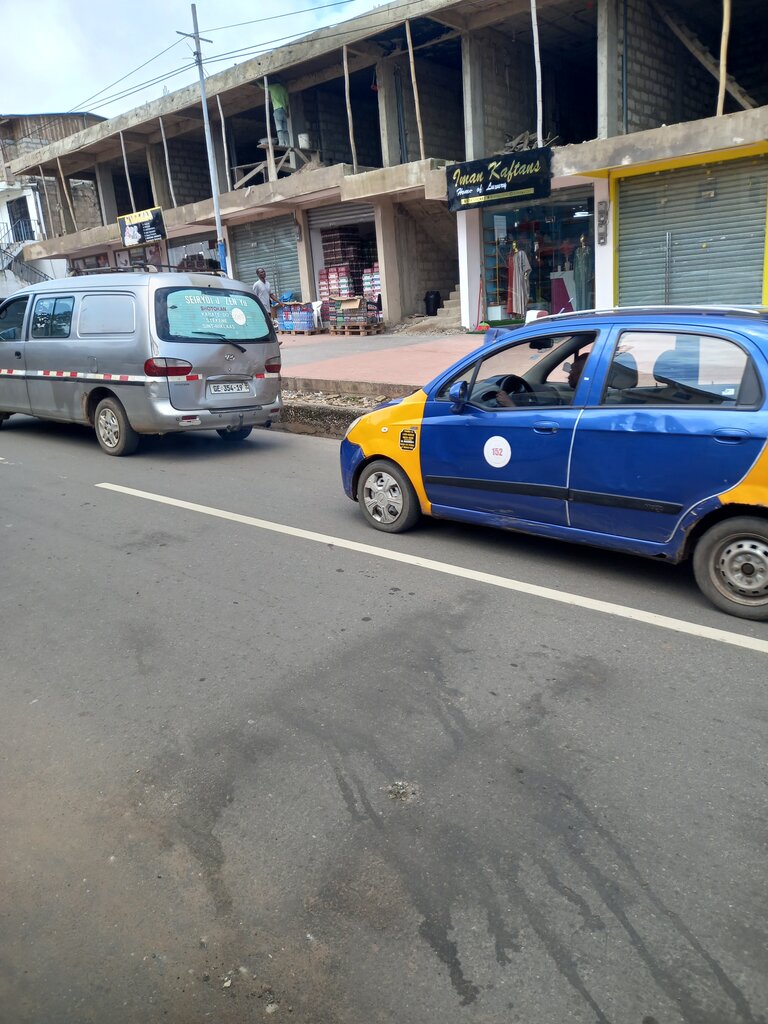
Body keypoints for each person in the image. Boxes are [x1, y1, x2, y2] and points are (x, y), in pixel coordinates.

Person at [495, 351, 589, 407]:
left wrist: (511, 405)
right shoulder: (590, 395)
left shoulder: (586, 399)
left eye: (573, 370)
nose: (569, 375)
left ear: (583, 374)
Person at [260, 80, 290, 147]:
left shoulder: (272, 87)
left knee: (279, 129)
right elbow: (287, 102)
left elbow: (263, 86)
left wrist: (257, 82)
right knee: (285, 129)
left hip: (277, 110)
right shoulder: (283, 89)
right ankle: (287, 144)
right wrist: (287, 112)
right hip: (284, 111)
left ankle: (281, 143)